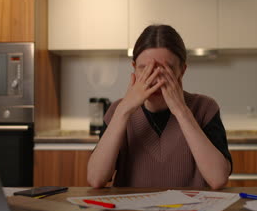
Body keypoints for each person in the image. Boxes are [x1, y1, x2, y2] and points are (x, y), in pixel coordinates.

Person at [87, 25, 232, 190]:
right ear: (134, 68)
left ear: (182, 71)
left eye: (166, 69)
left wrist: (181, 111)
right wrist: (124, 110)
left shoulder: (205, 107)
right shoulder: (117, 111)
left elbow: (218, 178)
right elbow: (95, 179)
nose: (155, 79)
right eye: (145, 69)